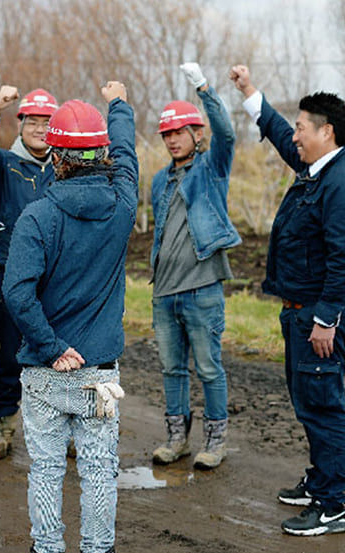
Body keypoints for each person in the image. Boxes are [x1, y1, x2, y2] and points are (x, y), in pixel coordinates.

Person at [3, 81, 136, 553]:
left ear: (55, 155)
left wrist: (52, 345)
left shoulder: (38, 214)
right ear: (100, 152)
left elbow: (17, 292)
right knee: (100, 470)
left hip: (44, 370)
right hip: (99, 375)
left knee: (46, 468)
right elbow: (127, 158)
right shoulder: (122, 206)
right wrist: (118, 105)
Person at [231, 64, 345, 536]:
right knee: (310, 401)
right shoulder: (318, 169)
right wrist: (250, 92)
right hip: (299, 314)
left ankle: (334, 502)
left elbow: (343, 257)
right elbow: (279, 135)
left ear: (327, 132)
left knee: (322, 407)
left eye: (302, 128)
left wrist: (325, 319)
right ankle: (324, 480)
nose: (295, 136)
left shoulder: (339, 184)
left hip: (316, 320)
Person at [150, 62, 241, 470]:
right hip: (164, 292)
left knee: (207, 367)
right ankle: (176, 438)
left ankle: (215, 440)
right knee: (172, 369)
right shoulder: (158, 181)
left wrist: (204, 87)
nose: (172, 140)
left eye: (179, 132)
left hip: (202, 289)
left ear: (195, 134)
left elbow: (227, 133)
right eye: (167, 134)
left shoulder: (212, 169)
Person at [0, 86, 58, 459]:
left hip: (55, 277)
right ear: (20, 125)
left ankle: (62, 428)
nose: (39, 129)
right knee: (11, 354)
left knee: (60, 355)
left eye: (46, 122)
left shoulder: (65, 168)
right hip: (12, 276)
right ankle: (1, 423)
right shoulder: (3, 165)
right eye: (32, 121)